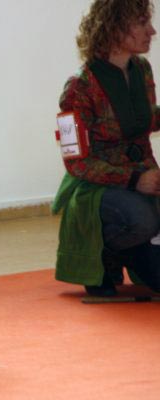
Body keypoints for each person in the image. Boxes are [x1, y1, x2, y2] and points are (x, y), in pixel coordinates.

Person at [53, 0, 160, 297]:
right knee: (142, 220)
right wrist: (135, 181)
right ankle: (105, 254)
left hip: (143, 180)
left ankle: (136, 253)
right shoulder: (78, 87)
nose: (151, 30)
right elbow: (77, 164)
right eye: (141, 22)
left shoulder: (142, 71)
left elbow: (146, 119)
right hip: (95, 188)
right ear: (114, 28)